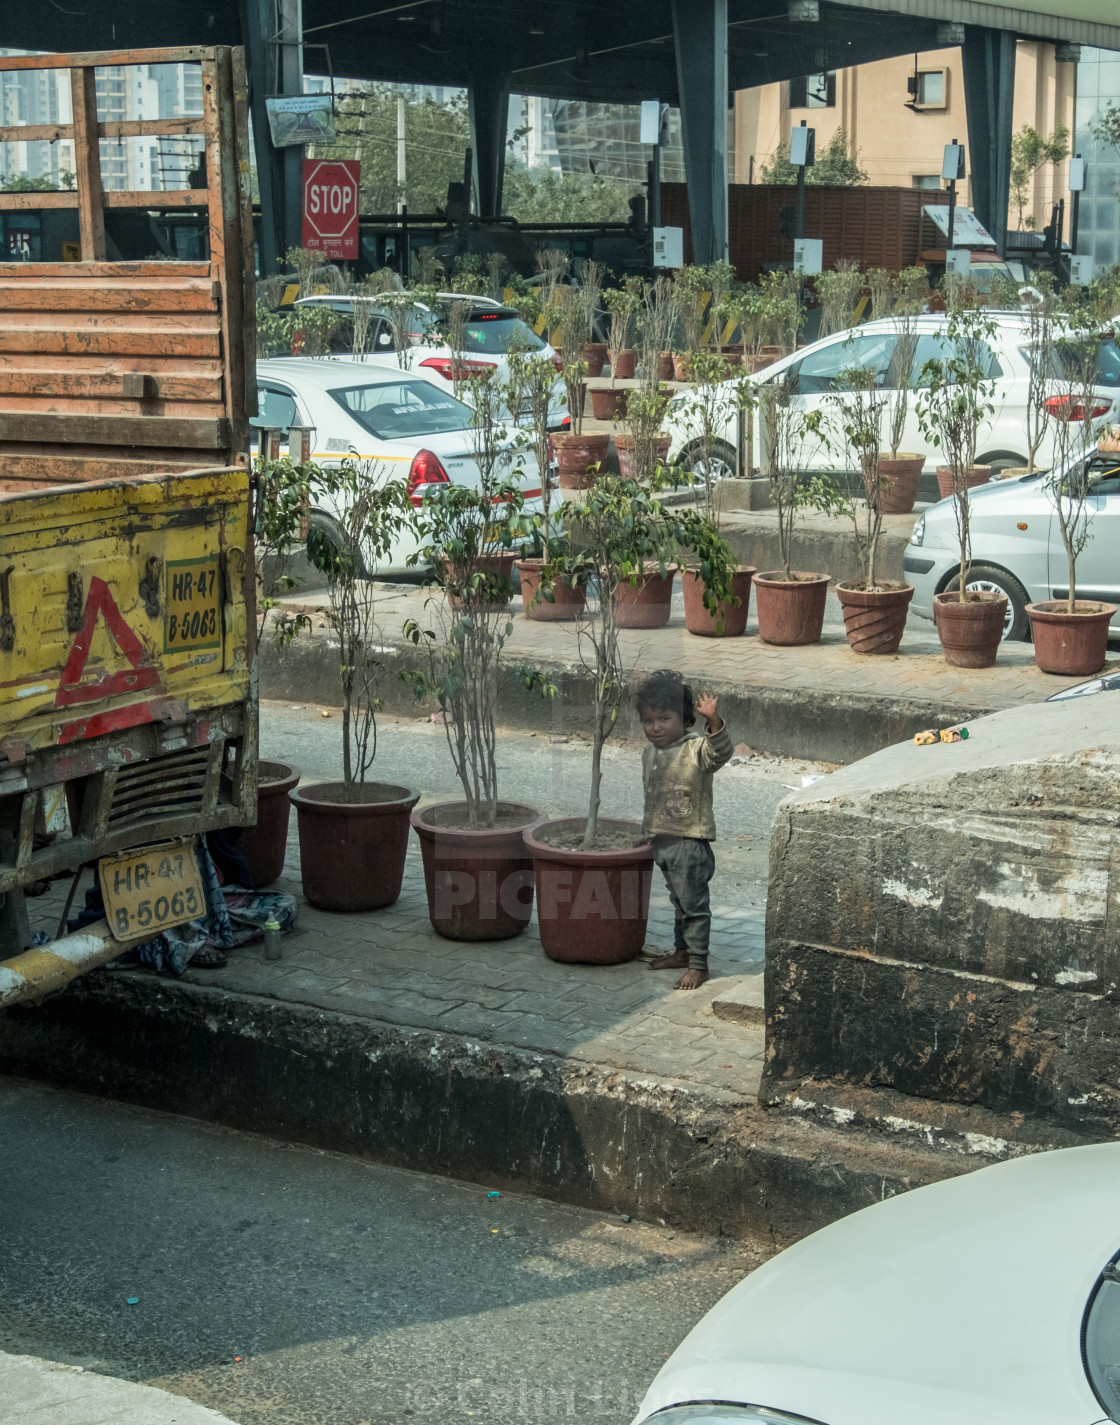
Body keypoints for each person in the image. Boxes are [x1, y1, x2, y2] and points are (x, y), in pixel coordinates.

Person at [636, 670, 733, 990]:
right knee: (679, 902)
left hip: (690, 843)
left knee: (693, 907)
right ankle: (682, 952)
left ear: (686, 718)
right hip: (664, 841)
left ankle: (699, 965)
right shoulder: (649, 753)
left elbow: (721, 752)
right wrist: (648, 831)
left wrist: (715, 721)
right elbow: (653, 797)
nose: (655, 727)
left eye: (664, 718)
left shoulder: (697, 749)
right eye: (649, 721)